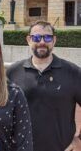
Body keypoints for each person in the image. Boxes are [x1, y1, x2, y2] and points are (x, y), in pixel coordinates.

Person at [7, 20, 81, 151]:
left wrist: (78, 139)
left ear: (54, 40)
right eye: (36, 37)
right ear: (29, 40)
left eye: (47, 37)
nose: (42, 42)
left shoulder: (73, 72)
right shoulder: (13, 72)